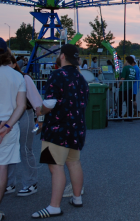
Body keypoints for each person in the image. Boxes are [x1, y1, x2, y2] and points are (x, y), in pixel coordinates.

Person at [31, 44, 88, 218]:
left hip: (57, 129)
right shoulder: (81, 78)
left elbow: (49, 104)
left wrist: (39, 111)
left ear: (62, 56)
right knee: (74, 163)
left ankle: (54, 206)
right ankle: (77, 198)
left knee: (56, 167)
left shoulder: (57, 75)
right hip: (77, 129)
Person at [6, 59, 43, 197]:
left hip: (24, 115)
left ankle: (30, 183)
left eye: (9, 62)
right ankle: (8, 183)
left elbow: (37, 101)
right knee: (6, 150)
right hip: (7, 116)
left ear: (14, 64)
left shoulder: (24, 77)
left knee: (25, 149)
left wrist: (40, 120)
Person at [0, 41, 27, 221]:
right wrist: (8, 125)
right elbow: (21, 105)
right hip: (6, 128)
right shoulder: (17, 76)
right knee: (2, 168)